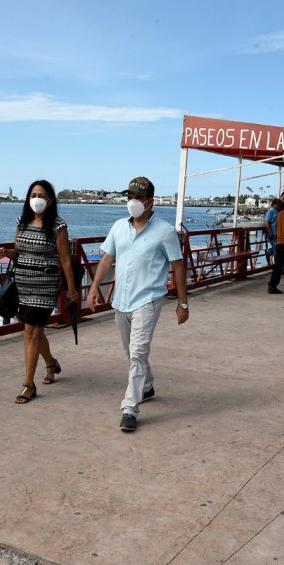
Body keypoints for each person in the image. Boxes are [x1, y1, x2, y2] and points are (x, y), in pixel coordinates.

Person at [86, 176, 189, 433]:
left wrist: (183, 304)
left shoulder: (165, 231)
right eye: (130, 196)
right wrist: (94, 286)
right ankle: (147, 384)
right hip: (121, 299)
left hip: (148, 299)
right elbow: (107, 257)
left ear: (150, 201)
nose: (132, 202)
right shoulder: (119, 226)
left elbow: (178, 266)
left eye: (138, 198)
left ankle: (130, 407)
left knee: (138, 350)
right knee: (130, 350)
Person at [0, 180, 79, 404]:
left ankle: (28, 384)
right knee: (36, 331)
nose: (36, 198)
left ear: (50, 200)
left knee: (30, 331)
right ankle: (51, 363)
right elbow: (19, 252)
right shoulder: (21, 222)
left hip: (45, 285)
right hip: (22, 284)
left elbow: (65, 260)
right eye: (33, 194)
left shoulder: (58, 226)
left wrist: (71, 289)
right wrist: (7, 252)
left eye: (41, 195)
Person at [263, 198, 283, 264]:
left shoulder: (278, 212)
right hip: (273, 234)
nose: (279, 206)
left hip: (277, 234)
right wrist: (270, 231)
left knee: (277, 250)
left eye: (279, 205)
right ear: (274, 204)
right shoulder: (271, 211)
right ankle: (279, 268)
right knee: (277, 251)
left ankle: (269, 252)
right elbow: (266, 221)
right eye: (278, 204)